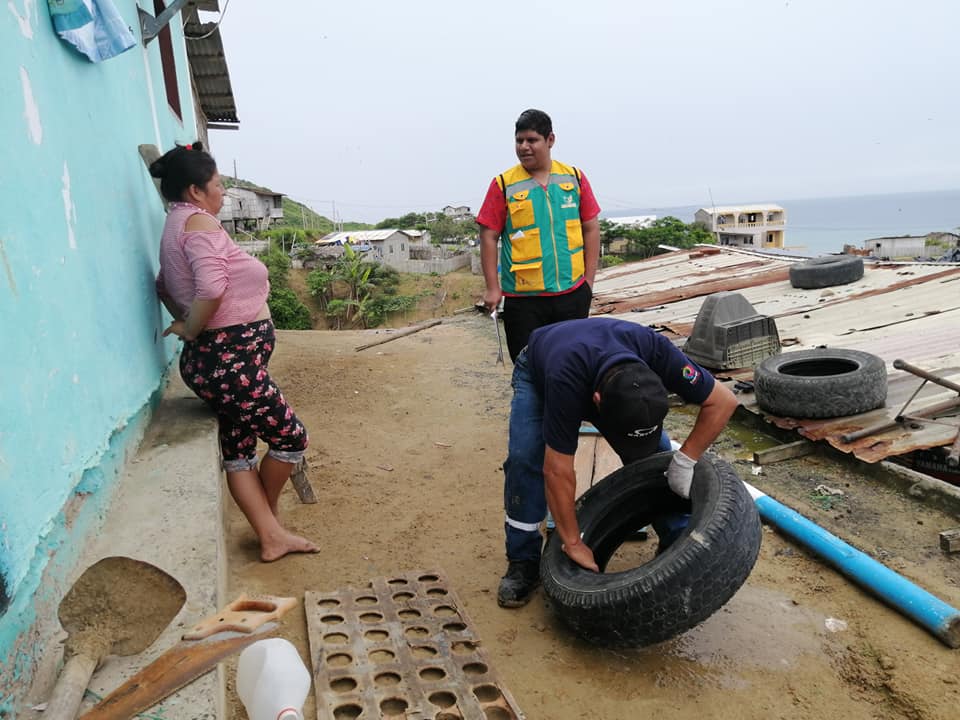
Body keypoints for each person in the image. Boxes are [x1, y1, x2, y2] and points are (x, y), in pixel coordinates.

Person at [150, 142, 318, 563]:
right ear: (195, 190)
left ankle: (270, 533)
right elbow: (211, 287)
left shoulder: (176, 223)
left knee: (239, 448)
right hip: (229, 361)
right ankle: (270, 525)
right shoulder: (198, 224)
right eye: (218, 184)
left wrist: (187, 323)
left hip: (224, 362)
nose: (223, 192)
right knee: (291, 437)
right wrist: (191, 328)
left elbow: (164, 285)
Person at [497, 317, 739, 607]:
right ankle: (523, 560)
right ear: (597, 402)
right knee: (525, 458)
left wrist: (685, 460)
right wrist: (572, 541)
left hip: (599, 367)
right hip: (543, 366)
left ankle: (676, 536)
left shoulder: (659, 352)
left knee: (657, 459)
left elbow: (724, 401)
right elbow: (557, 470)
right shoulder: (564, 381)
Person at [477, 109, 601, 362]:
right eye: (519, 140)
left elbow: (590, 228)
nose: (524, 147)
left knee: (572, 364)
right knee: (528, 366)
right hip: (524, 301)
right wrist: (492, 288)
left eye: (532, 140)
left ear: (550, 140)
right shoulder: (503, 184)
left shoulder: (574, 179)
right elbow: (488, 236)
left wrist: (588, 282)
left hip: (572, 294)